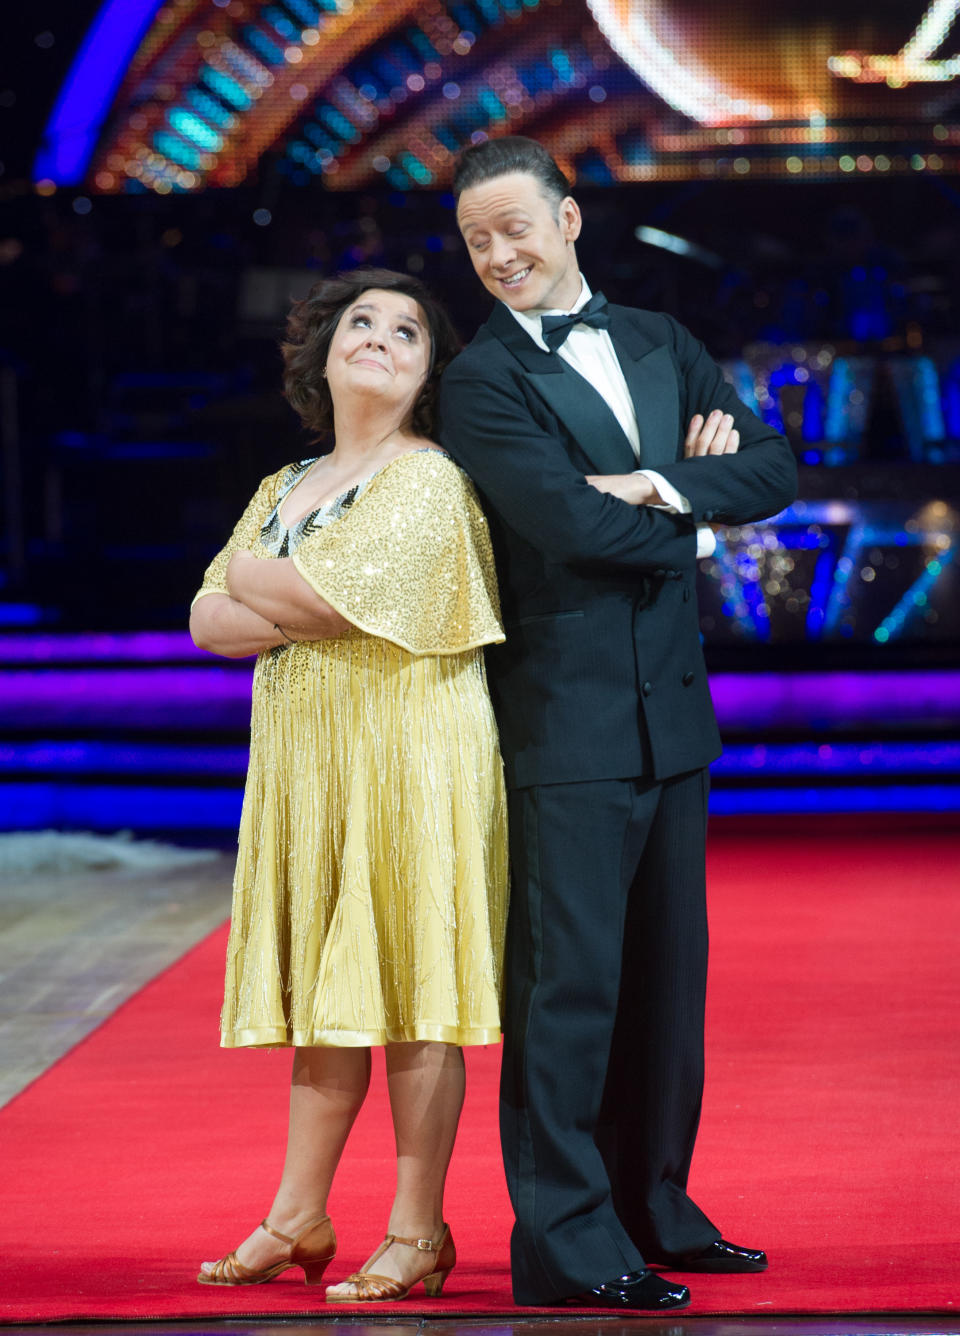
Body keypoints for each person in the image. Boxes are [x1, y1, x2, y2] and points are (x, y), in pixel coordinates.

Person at [438, 136, 798, 1310]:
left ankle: (658, 1206)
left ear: (570, 217)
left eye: (513, 228)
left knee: (665, 987)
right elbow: (563, 527)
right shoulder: (483, 380)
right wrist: (699, 519)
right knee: (569, 991)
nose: (498, 255)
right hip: (562, 725)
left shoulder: (658, 339)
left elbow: (776, 468)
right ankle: (567, 1243)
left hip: (672, 725)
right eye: (476, 239)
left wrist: (649, 485)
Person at [189, 267, 508, 1303]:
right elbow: (208, 618)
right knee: (329, 994)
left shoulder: (428, 480)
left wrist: (265, 584)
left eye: (406, 330)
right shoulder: (283, 484)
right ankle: (299, 1213)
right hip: (307, 759)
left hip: (410, 751)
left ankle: (418, 1229)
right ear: (324, 354)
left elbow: (292, 593)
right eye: (360, 323)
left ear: (427, 369)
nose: (379, 337)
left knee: (417, 988)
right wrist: (278, 591)